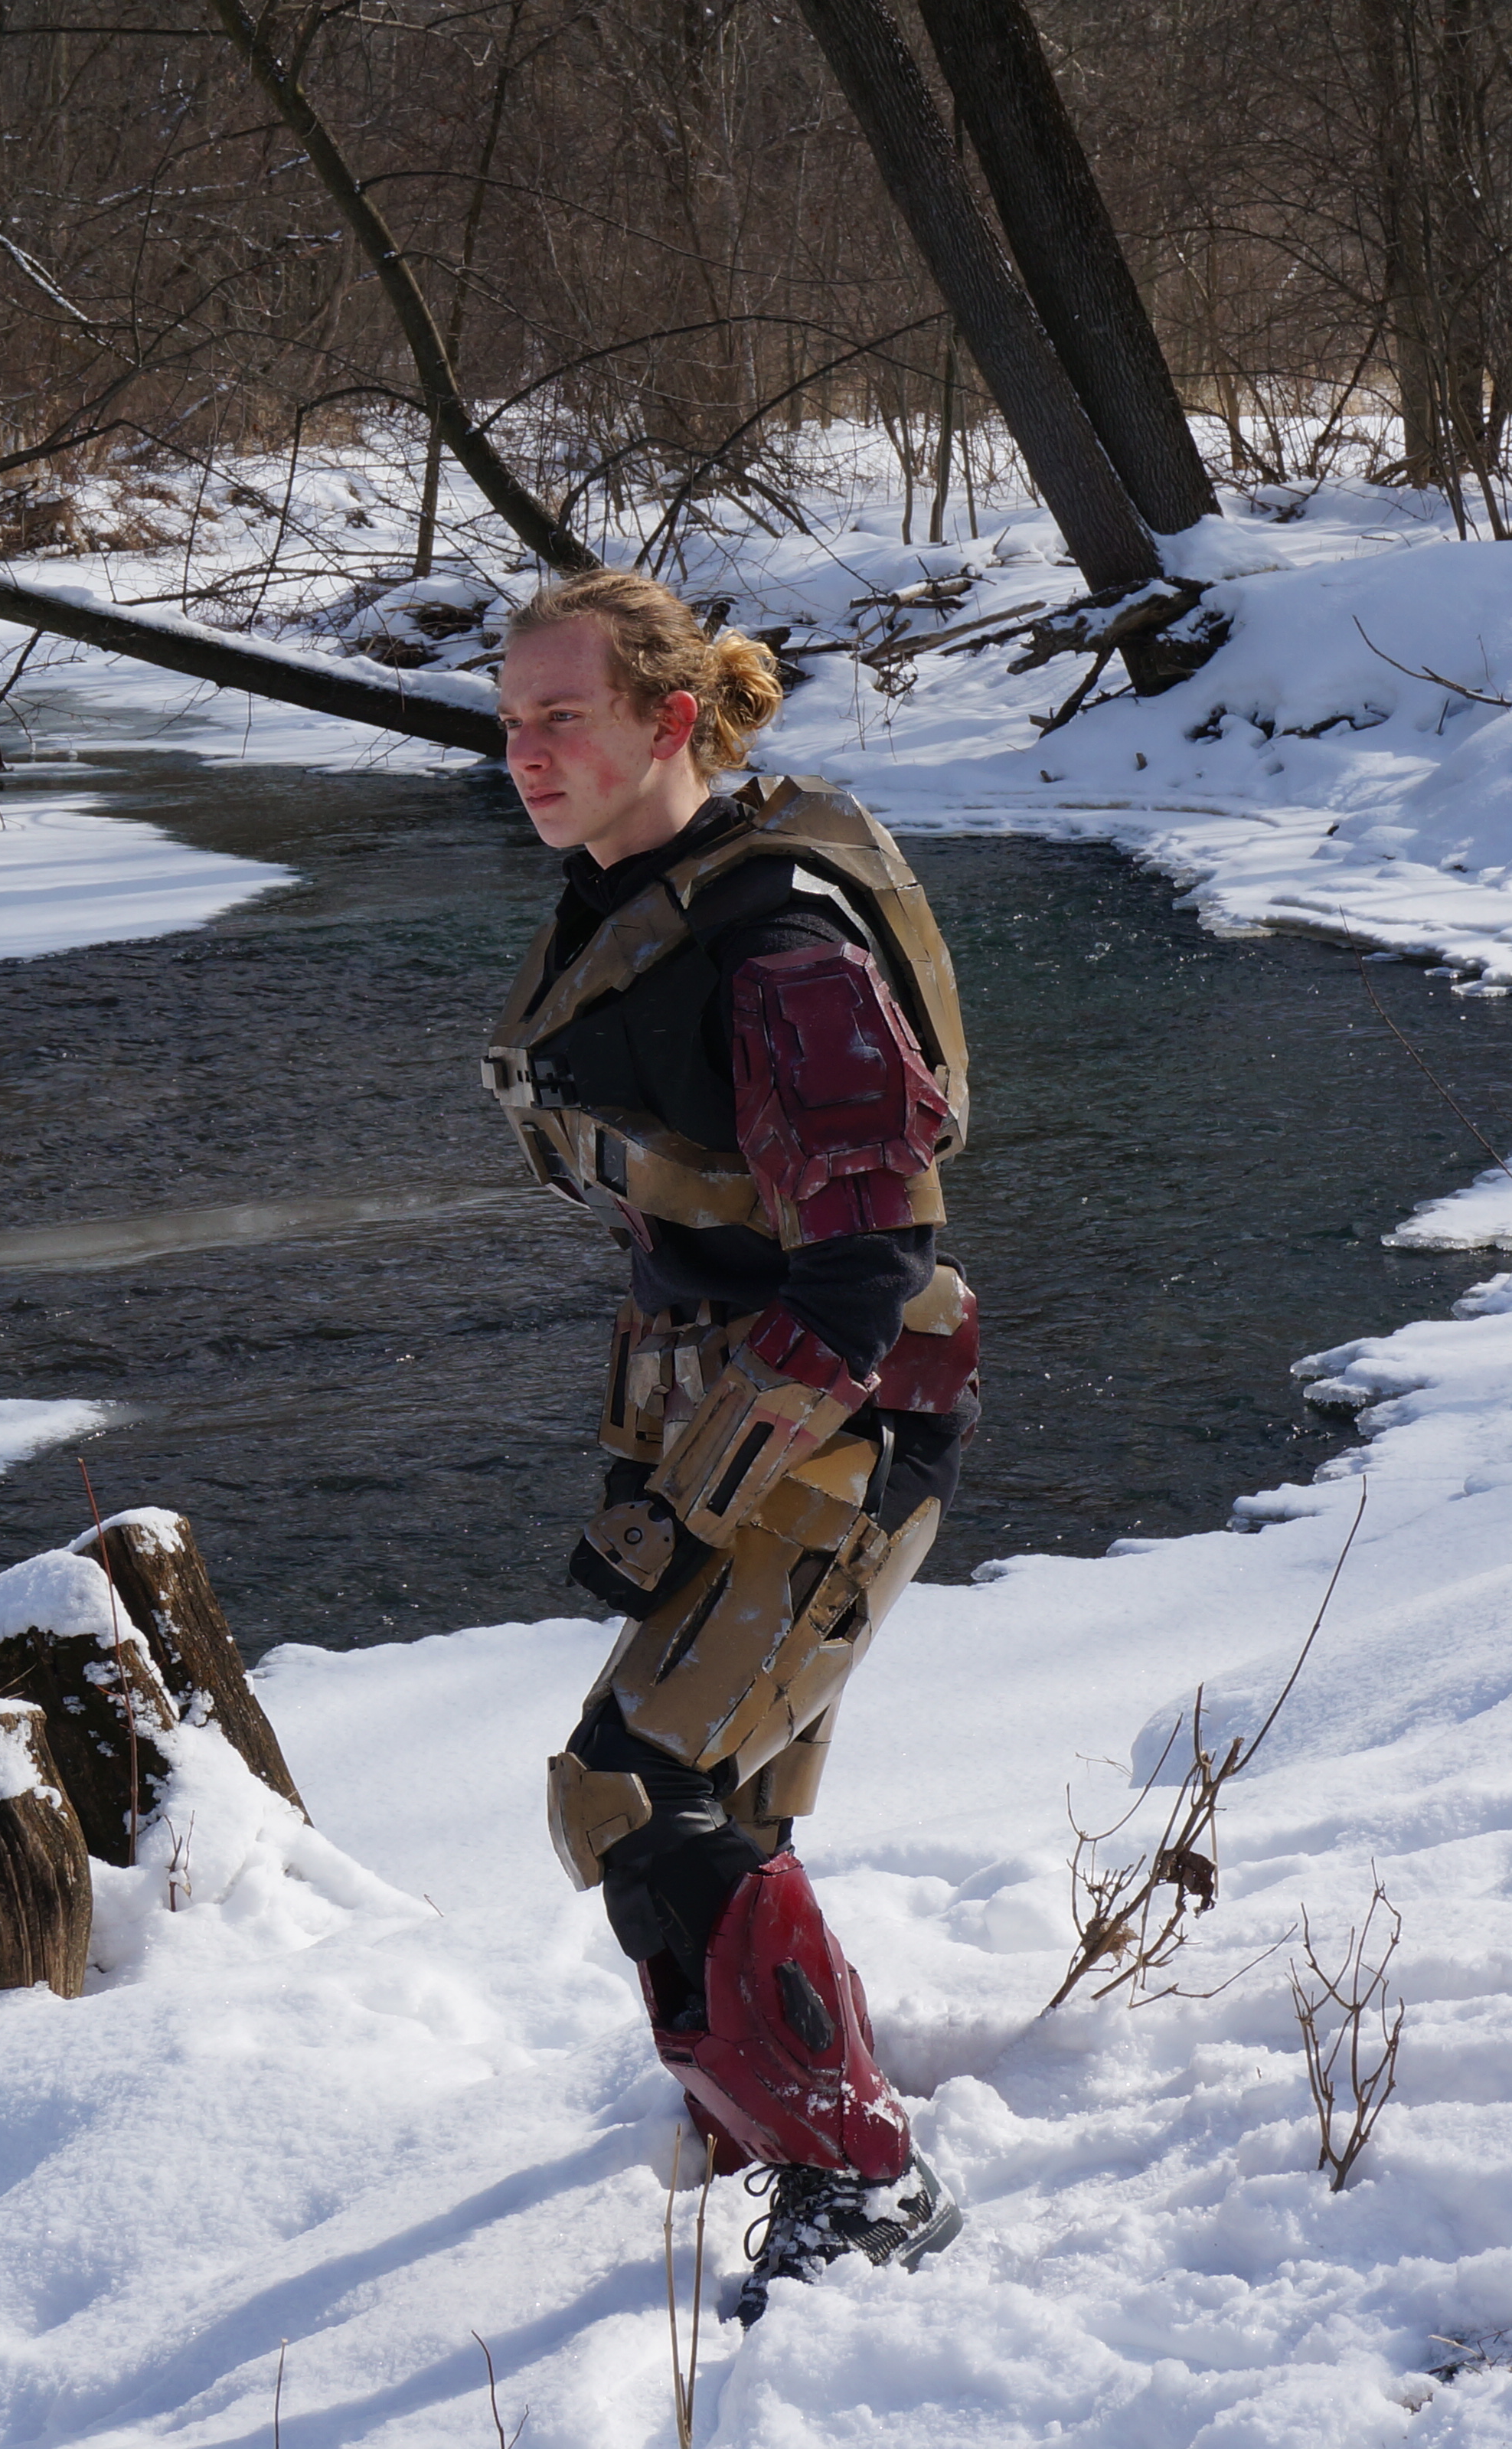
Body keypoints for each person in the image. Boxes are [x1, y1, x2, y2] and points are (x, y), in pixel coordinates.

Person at [482, 569, 976, 2320]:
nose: (525, 753)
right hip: (722, 1402)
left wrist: (701, 1490)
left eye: (564, 718)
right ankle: (759, 2108)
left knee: (629, 1787)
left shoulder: (781, 946)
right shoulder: (637, 894)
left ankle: (864, 2175)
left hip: (844, 1417)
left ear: (670, 722)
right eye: (509, 718)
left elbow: (866, 1265)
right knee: (728, 1804)